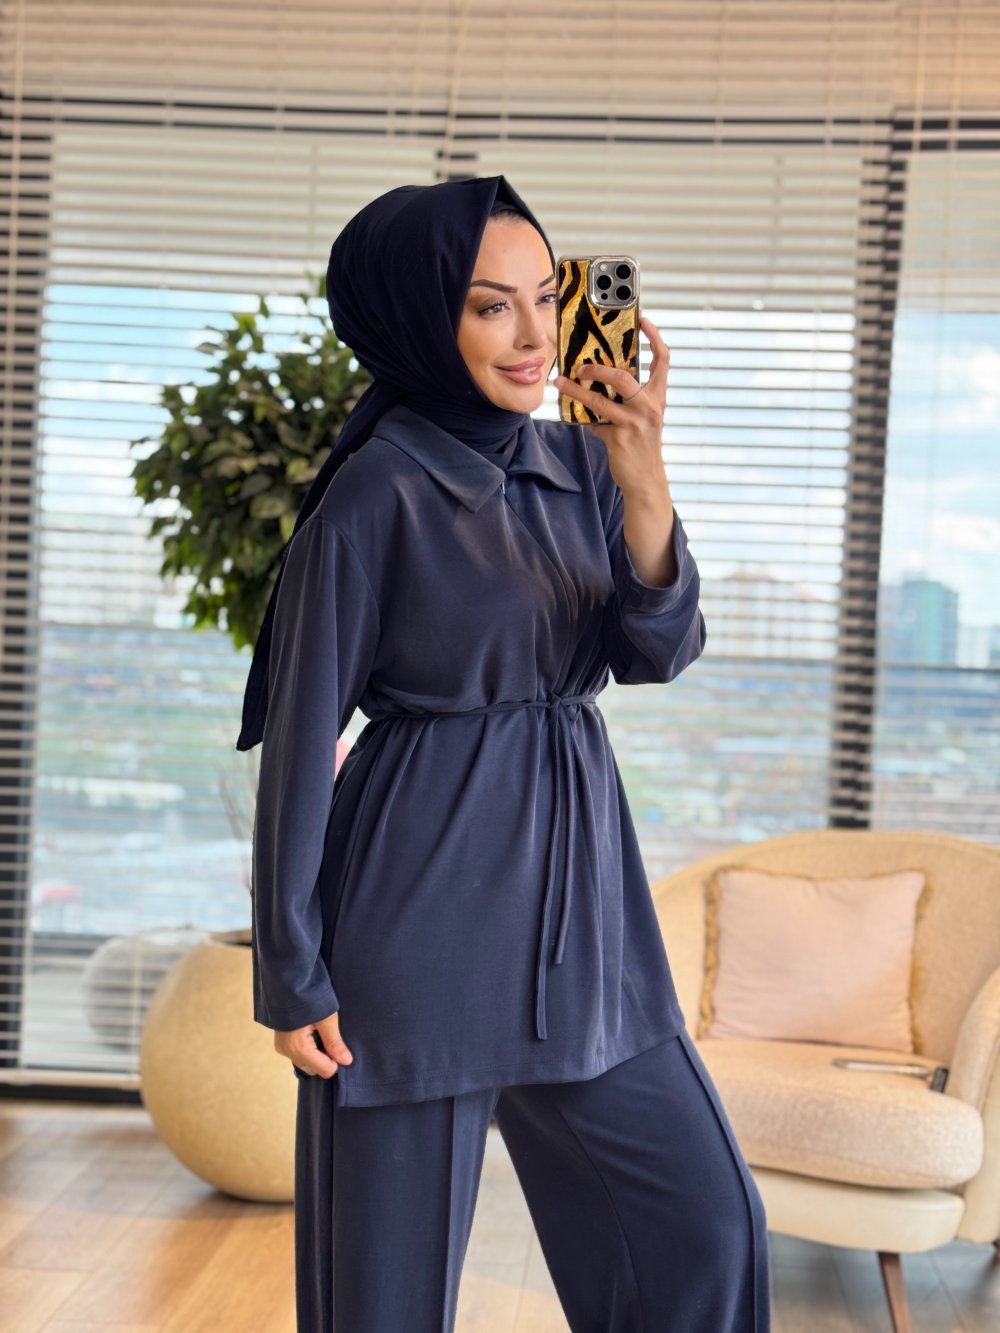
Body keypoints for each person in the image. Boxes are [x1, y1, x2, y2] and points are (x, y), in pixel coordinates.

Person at [236, 174, 771, 1332]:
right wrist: (290, 968)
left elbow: (655, 650)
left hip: (585, 933)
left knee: (707, 1227)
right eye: (490, 306)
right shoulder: (375, 495)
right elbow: (302, 736)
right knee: (383, 1297)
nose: (533, 336)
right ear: (419, 317)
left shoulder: (583, 463)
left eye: (545, 297)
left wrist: (642, 478)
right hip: (411, 934)